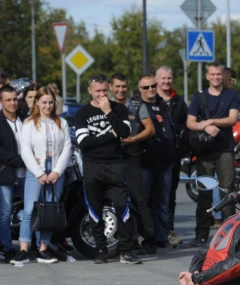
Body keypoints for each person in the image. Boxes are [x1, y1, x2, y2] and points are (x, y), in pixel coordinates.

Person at [75, 74, 141, 265]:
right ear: (90, 91)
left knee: (122, 208)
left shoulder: (119, 108)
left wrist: (108, 113)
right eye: (98, 91)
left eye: (105, 90)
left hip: (115, 165)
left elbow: (124, 132)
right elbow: (84, 143)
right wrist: (110, 135)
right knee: (95, 210)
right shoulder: (82, 113)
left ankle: (126, 251)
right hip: (92, 166)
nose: (102, 94)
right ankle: (101, 250)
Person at [9, 87, 72, 265]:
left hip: (55, 169)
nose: (47, 106)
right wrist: (38, 172)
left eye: (50, 102)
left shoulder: (62, 123)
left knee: (49, 208)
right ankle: (23, 249)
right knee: (29, 209)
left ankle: (43, 249)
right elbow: (25, 150)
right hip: (35, 169)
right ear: (37, 102)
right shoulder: (29, 123)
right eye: (44, 102)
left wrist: (56, 171)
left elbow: (67, 148)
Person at [186, 61, 240, 247]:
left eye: (219, 74)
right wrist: (205, 127)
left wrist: (209, 122)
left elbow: (232, 119)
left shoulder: (231, 95)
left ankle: (229, 234)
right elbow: (191, 122)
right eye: (213, 74)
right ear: (207, 76)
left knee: (227, 192)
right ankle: (201, 234)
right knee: (204, 194)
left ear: (222, 75)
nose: (216, 77)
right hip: (205, 151)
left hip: (225, 149)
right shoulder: (199, 97)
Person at [109, 73, 157, 255]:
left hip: (132, 158)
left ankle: (149, 239)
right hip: (112, 159)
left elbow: (150, 129)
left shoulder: (137, 106)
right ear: (111, 88)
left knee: (138, 198)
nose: (120, 90)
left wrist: (132, 140)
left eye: (123, 86)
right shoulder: (107, 106)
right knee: (119, 201)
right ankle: (130, 238)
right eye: (117, 86)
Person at [136, 74, 177, 248]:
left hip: (166, 161)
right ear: (140, 90)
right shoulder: (137, 106)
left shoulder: (163, 105)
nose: (151, 89)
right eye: (146, 87)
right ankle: (146, 236)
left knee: (163, 202)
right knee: (145, 201)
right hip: (145, 162)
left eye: (153, 86)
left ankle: (161, 237)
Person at [155, 65, 188, 248]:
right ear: (156, 79)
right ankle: (152, 232)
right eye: (163, 78)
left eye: (169, 78)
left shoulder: (178, 101)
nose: (166, 81)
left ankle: (168, 230)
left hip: (174, 155)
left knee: (170, 196)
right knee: (153, 195)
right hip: (154, 155)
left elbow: (186, 124)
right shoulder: (152, 99)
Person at [0, 85, 25, 263]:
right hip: (6, 173)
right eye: (8, 100)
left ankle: (28, 246)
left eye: (15, 99)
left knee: (30, 210)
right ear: (1, 102)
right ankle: (7, 247)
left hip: (27, 173)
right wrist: (20, 160)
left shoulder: (25, 119)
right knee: (5, 212)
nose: (12, 103)